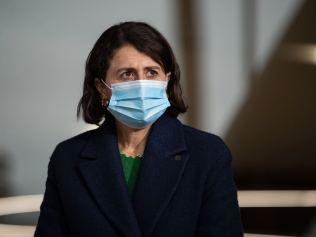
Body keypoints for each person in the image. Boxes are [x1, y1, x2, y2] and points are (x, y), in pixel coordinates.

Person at [34, 21, 244, 237]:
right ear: (101, 88)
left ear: (166, 80)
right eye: (127, 74)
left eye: (152, 72)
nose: (142, 84)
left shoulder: (208, 154)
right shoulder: (68, 158)